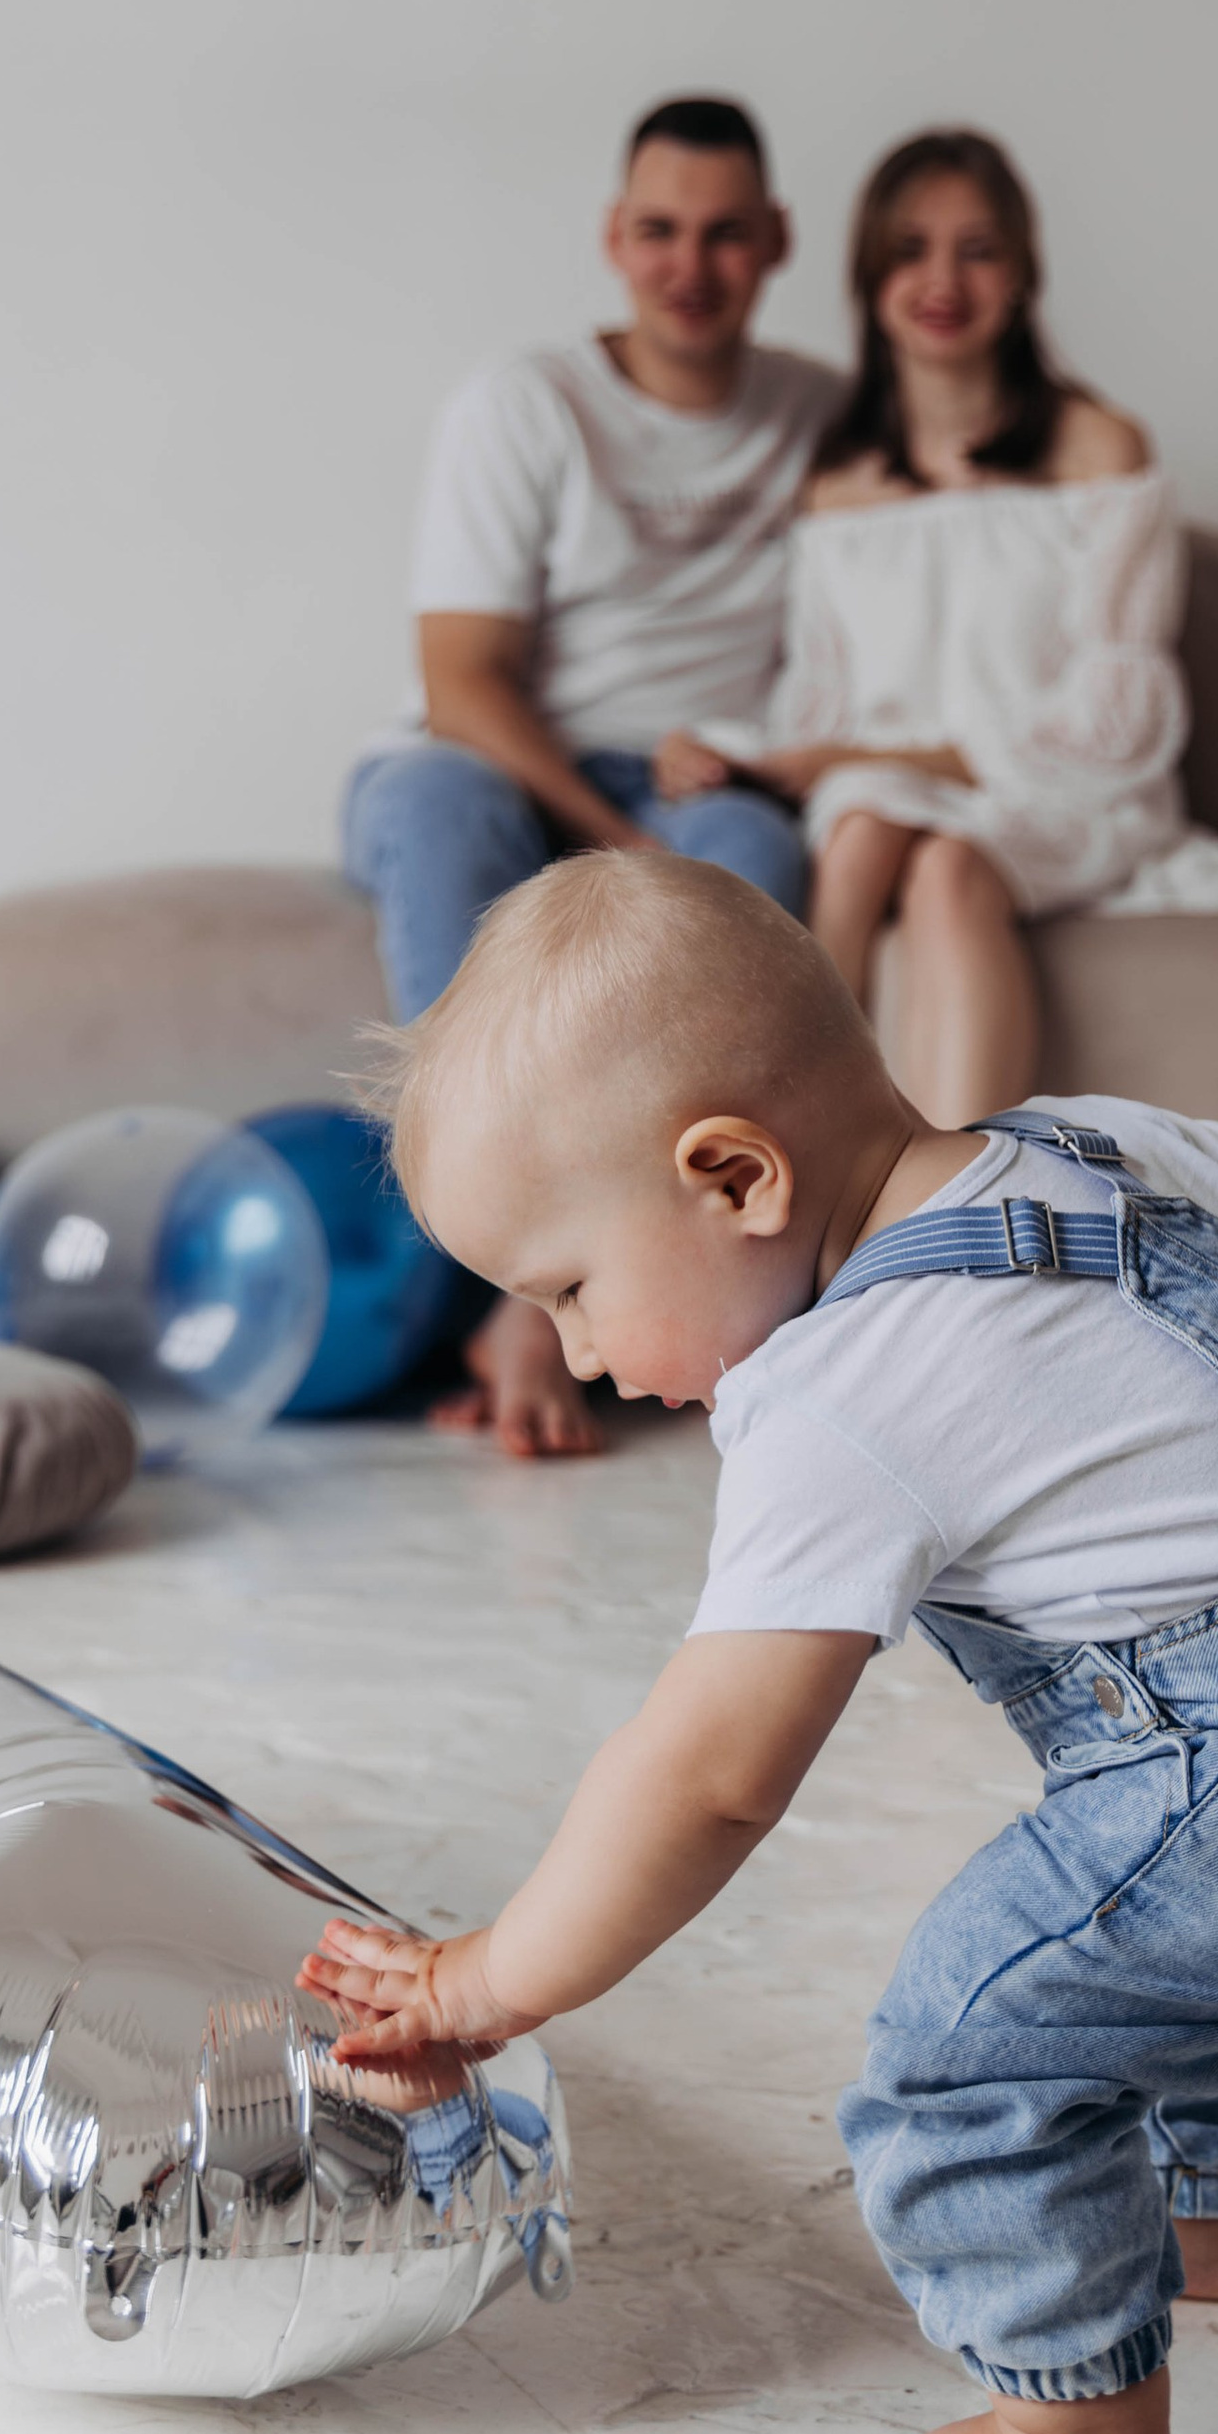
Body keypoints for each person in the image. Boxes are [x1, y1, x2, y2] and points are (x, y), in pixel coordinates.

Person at [296, 851, 1218, 2434]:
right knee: (1151, 1908)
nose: (581, 1354)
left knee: (973, 2038)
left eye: (569, 1290)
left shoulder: (843, 1393)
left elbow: (707, 1775)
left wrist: (489, 1979)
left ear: (734, 1177)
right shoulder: (1080, 1144)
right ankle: (1207, 2217)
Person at [343, 96, 840, 1457]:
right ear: (615, 239)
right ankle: (521, 1297)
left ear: (778, 241)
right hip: (496, 759)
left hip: (701, 776)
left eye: (725, 234)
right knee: (442, 810)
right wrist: (620, 842)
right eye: (661, 231)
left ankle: (706, 1308)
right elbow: (462, 681)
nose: (692, 265)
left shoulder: (826, 416)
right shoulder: (526, 405)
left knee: (750, 853)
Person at [655, 127, 1192, 1127]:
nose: (942, 281)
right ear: (869, 277)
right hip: (885, 796)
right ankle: (813, 1155)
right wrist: (724, 749)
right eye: (910, 251)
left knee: (943, 861)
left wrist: (882, 761)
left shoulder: (1100, 450)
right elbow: (820, 712)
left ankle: (958, 1195)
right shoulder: (839, 485)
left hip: (1061, 787)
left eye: (976, 251)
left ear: (1021, 275)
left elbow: (1115, 725)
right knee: (861, 829)